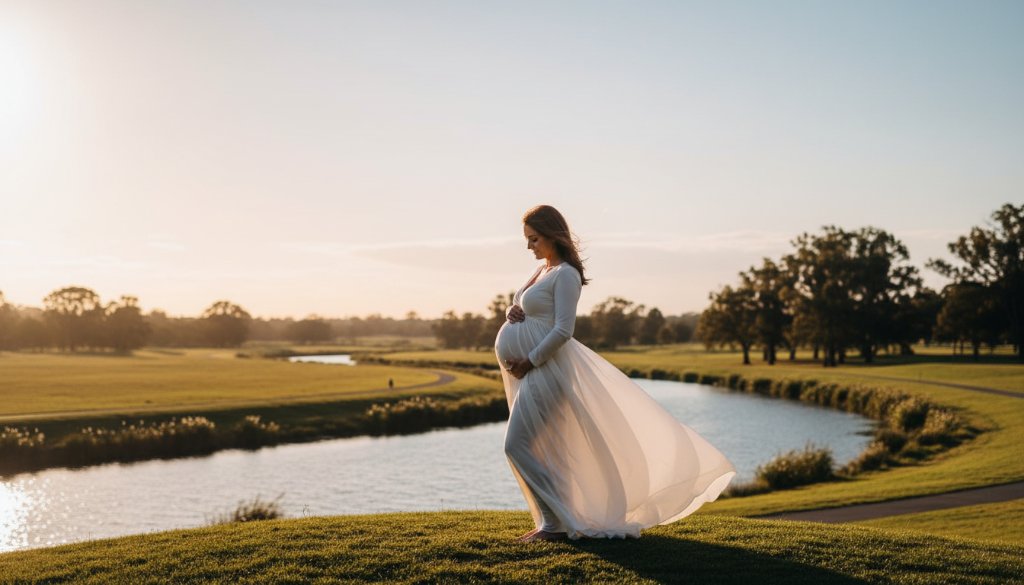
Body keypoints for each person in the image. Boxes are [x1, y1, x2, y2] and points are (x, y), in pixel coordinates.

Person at [495, 205, 736, 542]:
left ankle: (553, 526)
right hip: (532, 371)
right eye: (527, 239)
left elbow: (563, 330)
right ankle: (556, 522)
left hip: (546, 370)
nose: (528, 246)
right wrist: (512, 309)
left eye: (534, 239)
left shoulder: (566, 274)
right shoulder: (541, 271)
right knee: (547, 448)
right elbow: (527, 305)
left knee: (516, 445)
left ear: (552, 235)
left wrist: (530, 360)